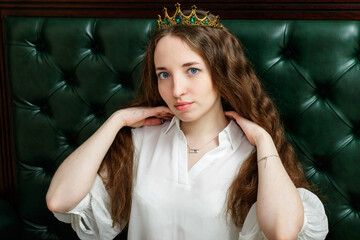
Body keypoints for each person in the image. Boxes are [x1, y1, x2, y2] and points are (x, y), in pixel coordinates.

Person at [46, 3, 328, 240]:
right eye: (164, 74)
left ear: (221, 73)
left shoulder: (253, 152)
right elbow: (59, 200)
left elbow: (282, 231)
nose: (177, 90)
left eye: (192, 70)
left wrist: (264, 141)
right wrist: (117, 121)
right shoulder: (141, 141)